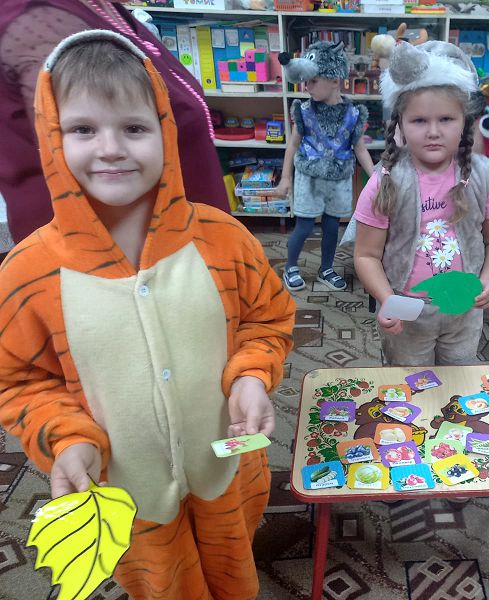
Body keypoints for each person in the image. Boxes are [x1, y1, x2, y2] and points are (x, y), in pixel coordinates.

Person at [0, 31, 295, 598]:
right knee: (163, 587)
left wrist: (253, 376)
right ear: (51, 136)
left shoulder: (224, 239)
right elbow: (19, 381)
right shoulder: (28, 273)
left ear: (165, 131)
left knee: (235, 572)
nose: (111, 148)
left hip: (224, 471)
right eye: (83, 129)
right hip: (128, 493)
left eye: (134, 128)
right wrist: (67, 438)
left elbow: (268, 320)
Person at [0, 0, 230, 245]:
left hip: (182, 235)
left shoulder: (106, 7)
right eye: (84, 130)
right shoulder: (42, 20)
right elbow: (89, 157)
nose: (110, 149)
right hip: (123, 249)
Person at [353, 40, 489, 366]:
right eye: (419, 121)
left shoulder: (482, 175)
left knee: (460, 380)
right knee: (411, 386)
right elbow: (366, 255)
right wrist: (386, 299)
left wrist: (488, 281)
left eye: (447, 119)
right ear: (400, 123)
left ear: (465, 121)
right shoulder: (385, 181)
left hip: (464, 311)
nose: (434, 132)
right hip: (408, 315)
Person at [275, 41, 374, 292]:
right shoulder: (303, 111)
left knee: (332, 226)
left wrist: (375, 178)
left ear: (334, 80)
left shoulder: (353, 113)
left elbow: (359, 148)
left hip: (339, 178)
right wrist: (285, 177)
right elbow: (292, 145)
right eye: (305, 82)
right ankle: (290, 267)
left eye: (313, 81)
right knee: (305, 226)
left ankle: (326, 268)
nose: (306, 86)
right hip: (309, 177)